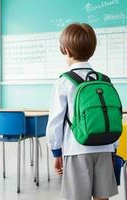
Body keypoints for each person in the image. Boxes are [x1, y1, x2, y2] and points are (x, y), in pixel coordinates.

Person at [46, 23, 118, 200]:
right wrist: (113, 147)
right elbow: (112, 115)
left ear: (65, 50)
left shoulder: (63, 82)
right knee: (103, 197)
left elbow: (55, 121)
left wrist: (56, 152)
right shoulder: (104, 80)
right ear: (92, 50)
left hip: (76, 148)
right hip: (106, 147)